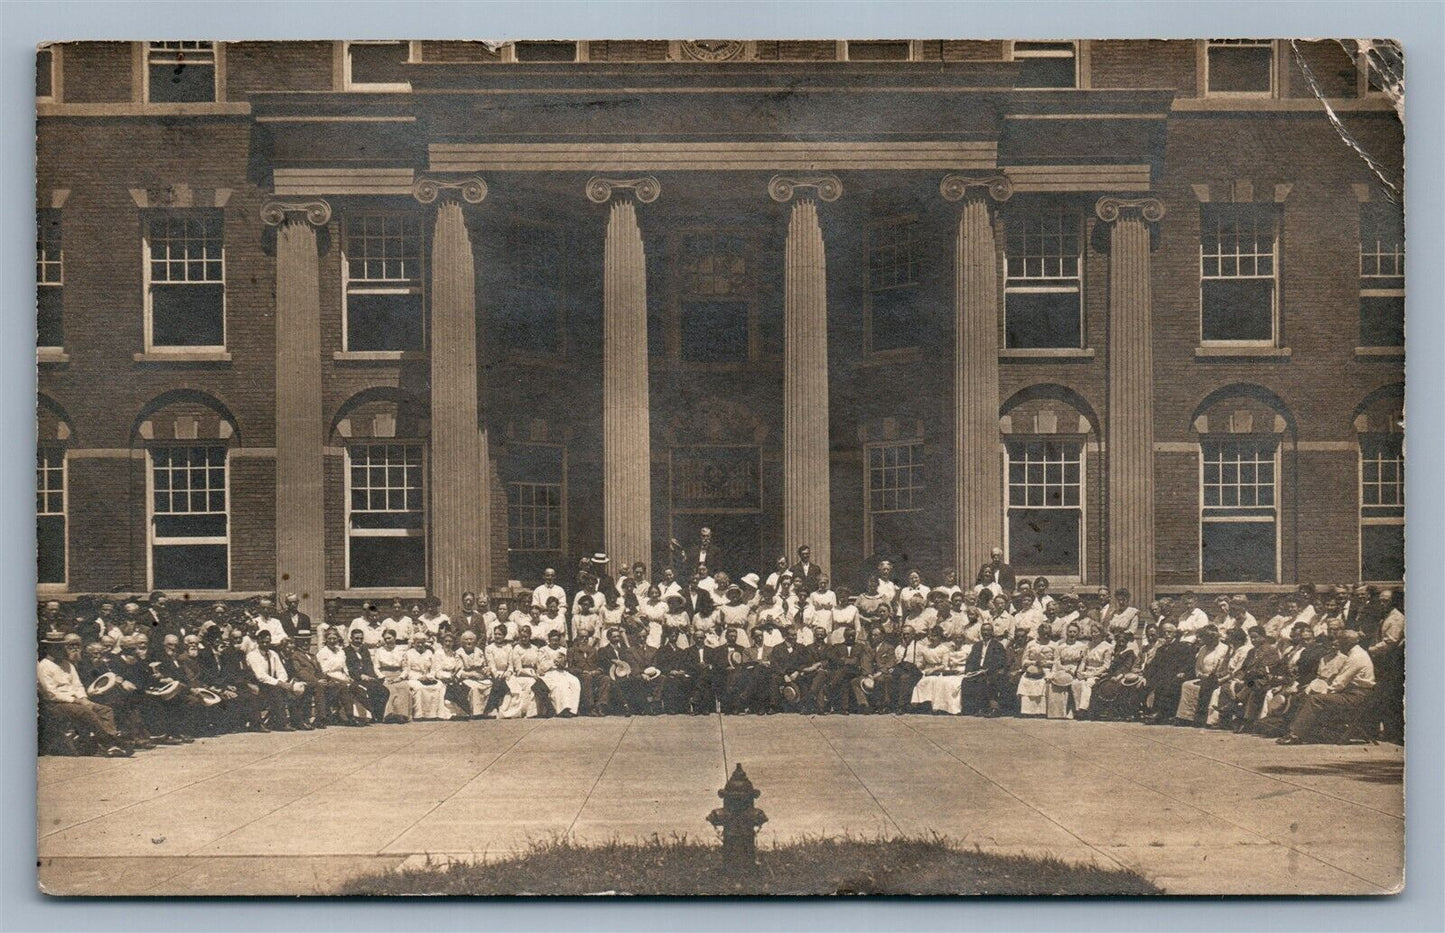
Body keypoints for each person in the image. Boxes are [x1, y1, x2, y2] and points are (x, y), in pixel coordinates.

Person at [38, 631, 132, 757]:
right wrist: (76, 700)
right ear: (49, 648)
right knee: (86, 712)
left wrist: (83, 698)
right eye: (57, 647)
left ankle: (111, 743)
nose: (61, 649)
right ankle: (111, 743)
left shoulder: (67, 664)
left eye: (61, 646)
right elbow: (51, 693)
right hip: (57, 704)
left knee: (105, 710)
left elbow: (78, 685)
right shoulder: (43, 666)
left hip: (77, 700)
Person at [1279, 630, 1376, 745]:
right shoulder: (1356, 653)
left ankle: (1295, 735)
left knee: (1315, 699)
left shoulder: (1356, 657)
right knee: (1313, 696)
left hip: (1356, 696)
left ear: (1347, 642)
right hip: (1351, 693)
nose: (1338, 646)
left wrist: (1324, 692)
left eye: (1340, 642)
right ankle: (1299, 730)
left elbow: (1340, 682)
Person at [246, 630, 298, 731]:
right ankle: (279, 723)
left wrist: (282, 682)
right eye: (263, 642)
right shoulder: (252, 655)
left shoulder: (273, 654)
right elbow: (260, 676)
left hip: (272, 684)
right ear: (258, 641)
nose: (265, 645)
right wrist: (278, 683)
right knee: (276, 691)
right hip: (258, 684)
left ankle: (296, 720)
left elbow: (281, 671)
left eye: (267, 642)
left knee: (292, 689)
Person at [316, 628, 367, 725]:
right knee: (344, 688)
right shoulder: (322, 653)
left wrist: (348, 677)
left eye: (334, 638)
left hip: (342, 677)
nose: (332, 641)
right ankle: (350, 717)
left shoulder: (341, 652)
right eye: (330, 638)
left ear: (338, 639)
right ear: (326, 639)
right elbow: (323, 671)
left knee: (357, 687)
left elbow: (344, 667)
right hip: (330, 679)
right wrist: (340, 680)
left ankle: (359, 716)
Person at [403, 631, 449, 720]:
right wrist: (419, 678)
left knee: (439, 686)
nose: (420, 645)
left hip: (427, 676)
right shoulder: (409, 653)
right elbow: (407, 670)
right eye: (418, 643)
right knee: (419, 688)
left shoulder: (429, 653)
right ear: (414, 643)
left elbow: (433, 668)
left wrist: (430, 677)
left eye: (422, 643)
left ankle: (437, 714)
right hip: (414, 677)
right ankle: (419, 715)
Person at [373, 629, 413, 723]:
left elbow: (406, 667)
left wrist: (400, 678)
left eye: (389, 638)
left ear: (394, 638)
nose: (387, 640)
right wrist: (383, 677)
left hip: (398, 675)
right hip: (385, 676)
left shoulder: (401, 650)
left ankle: (401, 715)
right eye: (385, 638)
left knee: (404, 687)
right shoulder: (379, 651)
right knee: (390, 689)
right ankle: (389, 715)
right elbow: (376, 667)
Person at [538, 629, 581, 716]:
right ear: (549, 640)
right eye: (553, 640)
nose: (555, 642)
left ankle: (573, 709)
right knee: (561, 684)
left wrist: (562, 664)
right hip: (550, 672)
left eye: (557, 640)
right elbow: (541, 666)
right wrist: (554, 661)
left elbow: (567, 664)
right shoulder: (543, 650)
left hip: (562, 671)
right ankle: (562, 709)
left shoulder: (563, 650)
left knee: (575, 682)